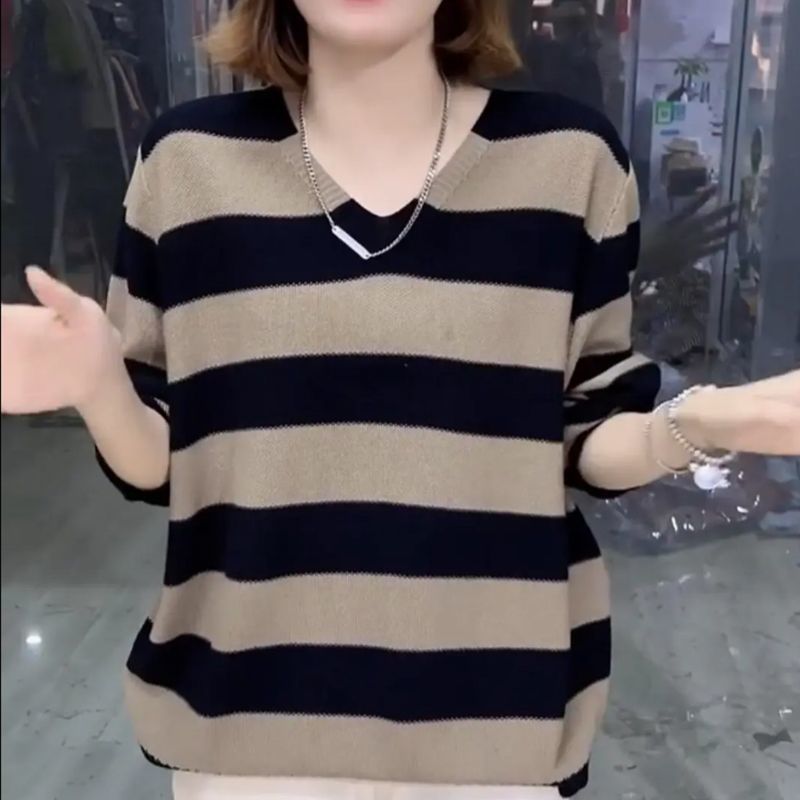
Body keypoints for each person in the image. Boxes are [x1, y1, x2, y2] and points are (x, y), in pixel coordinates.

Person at [1, 1, 799, 799]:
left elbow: (587, 430)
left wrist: (700, 421)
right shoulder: (186, 163)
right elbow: (162, 461)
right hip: (247, 719)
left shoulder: (570, 161)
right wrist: (98, 386)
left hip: (498, 718)